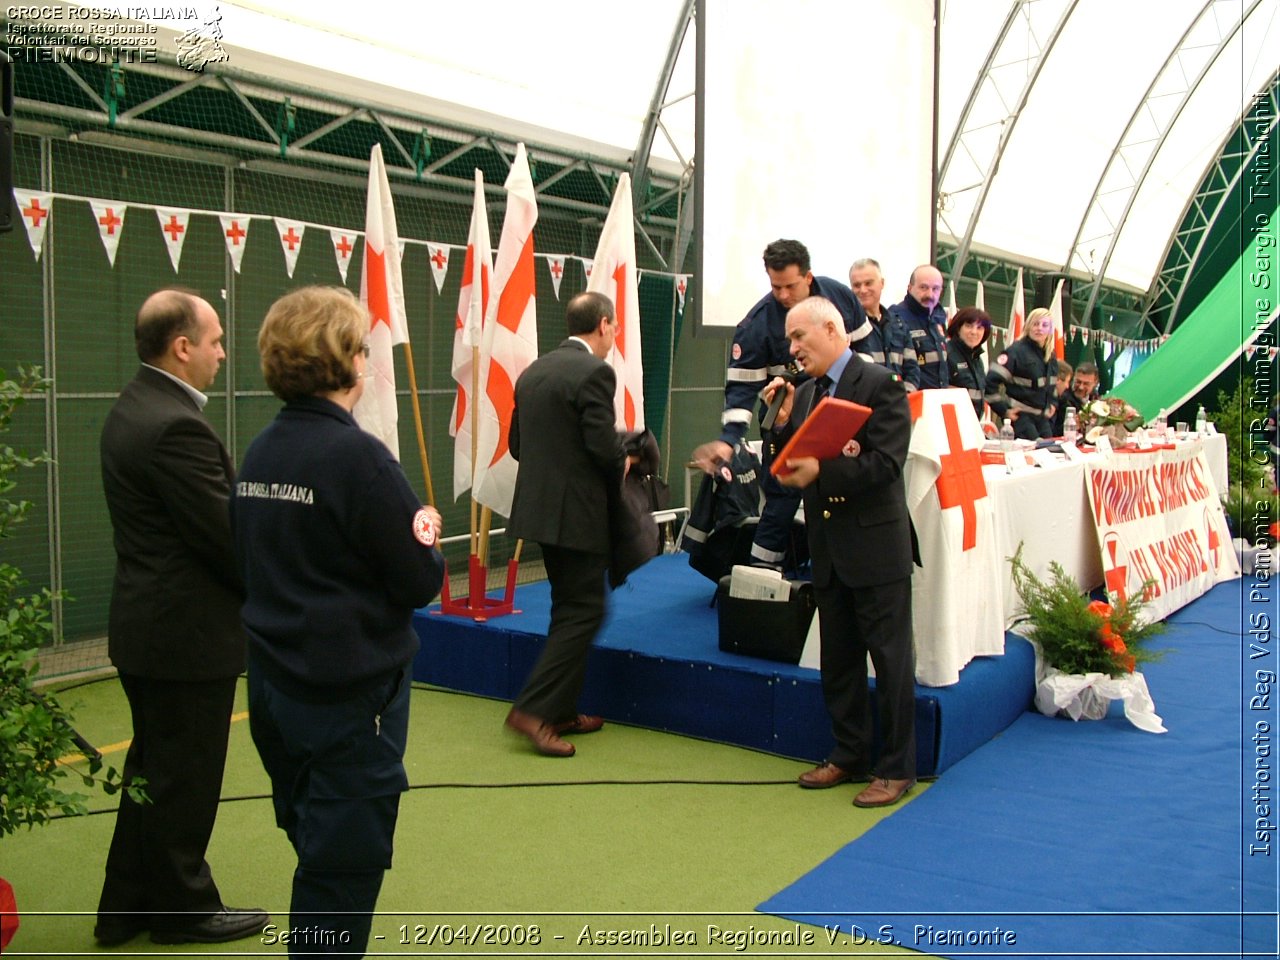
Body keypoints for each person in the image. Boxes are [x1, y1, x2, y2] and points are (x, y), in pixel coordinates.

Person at [232, 286, 445, 956]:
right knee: (338, 876)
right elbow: (421, 579)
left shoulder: (261, 452)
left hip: (274, 690)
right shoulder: (360, 459)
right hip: (346, 702)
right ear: (348, 360)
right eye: (361, 347)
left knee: (317, 847)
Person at [97, 289, 266, 947]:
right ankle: (183, 908)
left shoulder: (133, 407)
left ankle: (125, 906)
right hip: (184, 637)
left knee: (154, 772)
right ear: (183, 346)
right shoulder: (174, 424)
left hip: (152, 629)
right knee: (186, 778)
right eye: (218, 340)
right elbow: (226, 538)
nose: (225, 353)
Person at [763, 296, 918, 808]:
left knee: (891, 662)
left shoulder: (881, 386)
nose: (792, 348)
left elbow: (886, 465)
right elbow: (788, 468)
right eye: (789, 339)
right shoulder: (806, 393)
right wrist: (778, 426)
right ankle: (848, 754)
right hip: (829, 551)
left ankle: (896, 769)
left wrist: (822, 474)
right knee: (840, 660)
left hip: (875, 549)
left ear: (832, 329)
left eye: (799, 337)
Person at [692, 239, 871, 570]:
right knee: (782, 497)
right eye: (776, 287)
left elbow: (866, 346)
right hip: (785, 418)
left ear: (808, 277)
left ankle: (837, 571)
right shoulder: (757, 325)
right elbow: (742, 392)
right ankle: (760, 577)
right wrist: (729, 440)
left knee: (841, 489)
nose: (783, 295)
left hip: (842, 415)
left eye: (790, 286)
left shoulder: (839, 297)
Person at [503, 291, 629, 758]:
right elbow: (601, 447)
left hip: (539, 514)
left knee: (569, 608)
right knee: (586, 612)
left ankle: (561, 709)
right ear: (603, 324)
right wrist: (628, 454)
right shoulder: (596, 372)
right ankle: (534, 711)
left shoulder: (533, 370)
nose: (614, 334)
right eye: (614, 327)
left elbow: (519, 445)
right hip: (578, 516)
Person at [986, 306, 1059, 440]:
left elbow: (1052, 385)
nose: (1039, 328)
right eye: (1035, 324)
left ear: (1050, 329)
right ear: (1028, 326)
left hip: (1043, 419)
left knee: (1050, 453)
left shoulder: (1050, 356)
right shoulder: (1015, 352)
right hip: (1021, 418)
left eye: (1044, 325)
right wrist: (1004, 410)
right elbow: (989, 382)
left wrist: (1053, 403)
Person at [847, 257, 918, 383]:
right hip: (868, 401)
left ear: (882, 283)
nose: (863, 290)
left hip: (900, 399)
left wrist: (902, 397)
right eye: (857, 285)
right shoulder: (847, 327)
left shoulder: (899, 324)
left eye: (868, 283)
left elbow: (912, 369)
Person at [888, 264, 950, 390]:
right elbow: (893, 367)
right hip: (912, 400)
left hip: (938, 400)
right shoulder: (896, 317)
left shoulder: (939, 317)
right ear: (910, 288)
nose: (930, 294)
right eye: (923, 287)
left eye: (935, 289)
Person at [945, 306, 992, 420]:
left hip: (971, 424)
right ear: (958, 328)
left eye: (980, 328)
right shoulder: (945, 353)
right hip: (949, 423)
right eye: (968, 326)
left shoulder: (977, 359)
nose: (974, 332)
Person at [1052, 360, 1098, 435]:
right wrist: (1072, 426)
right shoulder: (1062, 397)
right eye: (1078, 382)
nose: (1081, 387)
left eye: (1086, 384)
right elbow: (1052, 431)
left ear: (1095, 383)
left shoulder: (1095, 398)